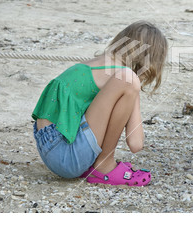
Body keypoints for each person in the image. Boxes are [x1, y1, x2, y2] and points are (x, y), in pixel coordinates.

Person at [32, 21, 168, 186]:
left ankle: (96, 163)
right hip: (66, 156)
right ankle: (105, 165)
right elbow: (136, 143)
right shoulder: (124, 77)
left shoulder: (95, 64)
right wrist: (135, 89)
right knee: (129, 79)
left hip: (49, 147)